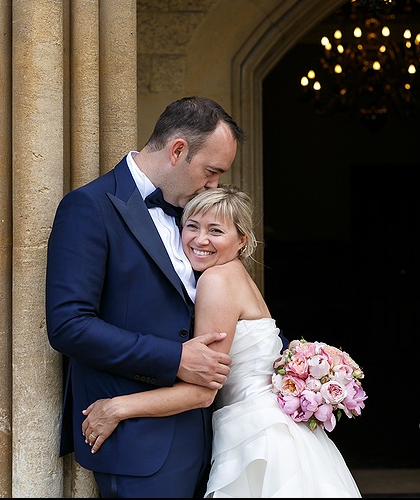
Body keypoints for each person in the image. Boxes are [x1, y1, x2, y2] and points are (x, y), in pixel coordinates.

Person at [81, 185, 363, 498]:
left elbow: (202, 391)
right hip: (272, 428)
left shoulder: (216, 281)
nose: (200, 240)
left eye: (215, 230)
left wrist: (118, 407)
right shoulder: (238, 275)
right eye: (192, 226)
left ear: (242, 240)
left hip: (256, 438)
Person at [45, 97, 246, 498]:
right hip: (138, 443)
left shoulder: (197, 220)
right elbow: (69, 326)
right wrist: (175, 358)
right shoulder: (89, 207)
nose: (213, 187)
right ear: (177, 151)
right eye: (211, 172)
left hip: (214, 438)